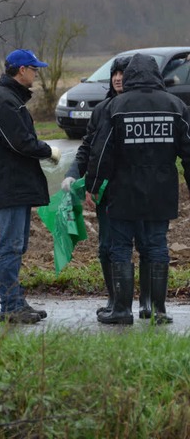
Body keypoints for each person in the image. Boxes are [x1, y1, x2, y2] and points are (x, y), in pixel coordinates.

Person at [86, 53, 190, 325]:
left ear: (130, 75)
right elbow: (189, 152)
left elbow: (102, 151)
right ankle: (157, 310)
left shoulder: (116, 106)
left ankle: (121, 310)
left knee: (120, 247)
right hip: (161, 192)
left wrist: (94, 185)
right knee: (157, 247)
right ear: (157, 75)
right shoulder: (176, 106)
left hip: (124, 191)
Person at [0, 49, 61, 324]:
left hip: (16, 184)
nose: (37, 73)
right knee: (11, 246)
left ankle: (15, 300)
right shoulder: (4, 101)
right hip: (9, 185)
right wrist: (47, 150)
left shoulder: (11, 98)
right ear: (21, 70)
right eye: (34, 68)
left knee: (17, 245)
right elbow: (20, 142)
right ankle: (10, 305)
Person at [61, 57, 141, 318]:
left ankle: (149, 305)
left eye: (123, 73)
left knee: (146, 246)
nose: (118, 78)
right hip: (106, 191)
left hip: (139, 191)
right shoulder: (102, 109)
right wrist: (73, 174)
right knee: (107, 247)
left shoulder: (141, 107)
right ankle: (115, 299)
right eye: (114, 73)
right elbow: (87, 147)